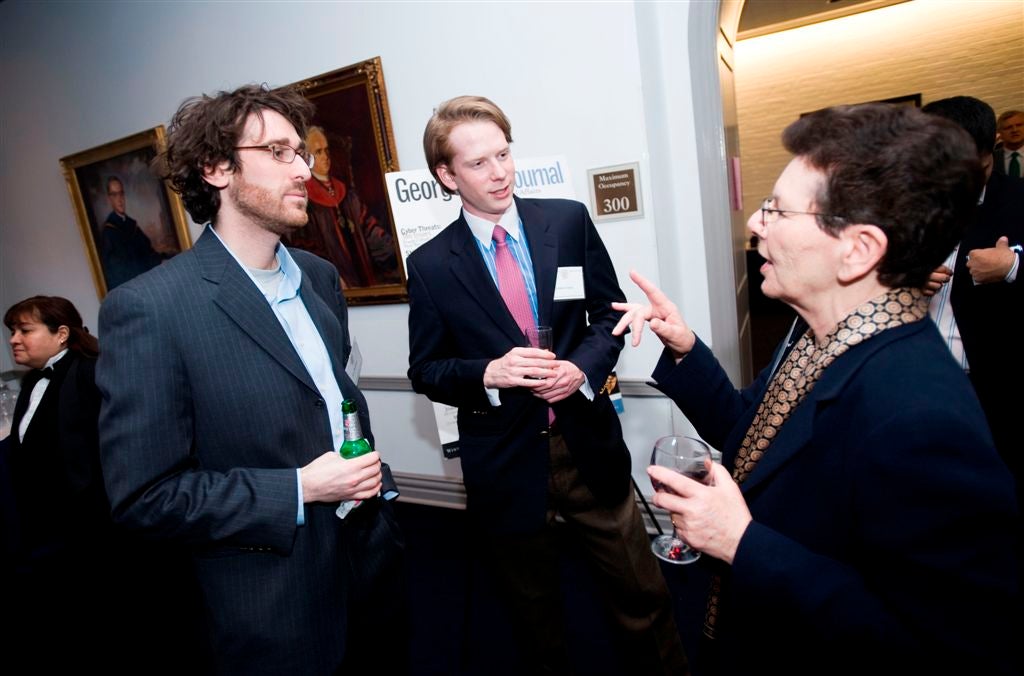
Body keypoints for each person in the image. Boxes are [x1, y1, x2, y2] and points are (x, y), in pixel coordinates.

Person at [613, 104, 1018, 675]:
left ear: (858, 249)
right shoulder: (817, 338)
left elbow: (942, 647)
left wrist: (741, 542)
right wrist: (685, 348)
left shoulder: (920, 415)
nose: (756, 224)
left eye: (777, 209)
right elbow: (751, 435)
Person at [97, 84, 405, 675]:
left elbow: (334, 402)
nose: (303, 170)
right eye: (278, 152)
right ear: (216, 169)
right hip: (273, 606)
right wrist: (299, 488)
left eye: (301, 153)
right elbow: (145, 498)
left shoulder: (319, 276)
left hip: (371, 572)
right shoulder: (150, 309)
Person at [406, 95, 687, 675]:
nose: (500, 172)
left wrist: (581, 368)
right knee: (534, 616)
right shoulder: (431, 264)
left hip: (587, 445)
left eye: (503, 154)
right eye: (478, 163)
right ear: (447, 176)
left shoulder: (567, 220)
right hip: (505, 462)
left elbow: (608, 315)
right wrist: (488, 373)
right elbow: (426, 369)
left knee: (642, 595)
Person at [921, 96, 1024, 501]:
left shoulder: (1018, 197)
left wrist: (1013, 265)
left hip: (996, 386)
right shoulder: (907, 200)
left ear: (988, 151)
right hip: (918, 378)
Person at [286, 125, 400, 289]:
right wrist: (330, 276)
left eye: (327, 150)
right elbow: (306, 248)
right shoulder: (304, 199)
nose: (326, 157)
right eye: (318, 152)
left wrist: (396, 251)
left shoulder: (346, 193)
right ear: (306, 157)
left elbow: (369, 229)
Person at [98, 175, 167, 290]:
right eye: (114, 195)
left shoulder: (132, 225)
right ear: (109, 199)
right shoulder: (109, 233)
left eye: (121, 193)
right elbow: (116, 273)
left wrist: (162, 259)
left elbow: (147, 252)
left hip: (145, 283)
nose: (119, 199)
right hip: (132, 288)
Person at [994, 109, 1023, 178]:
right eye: (1008, 127)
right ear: (999, 132)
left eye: (1019, 125)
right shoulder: (991, 159)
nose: (1014, 130)